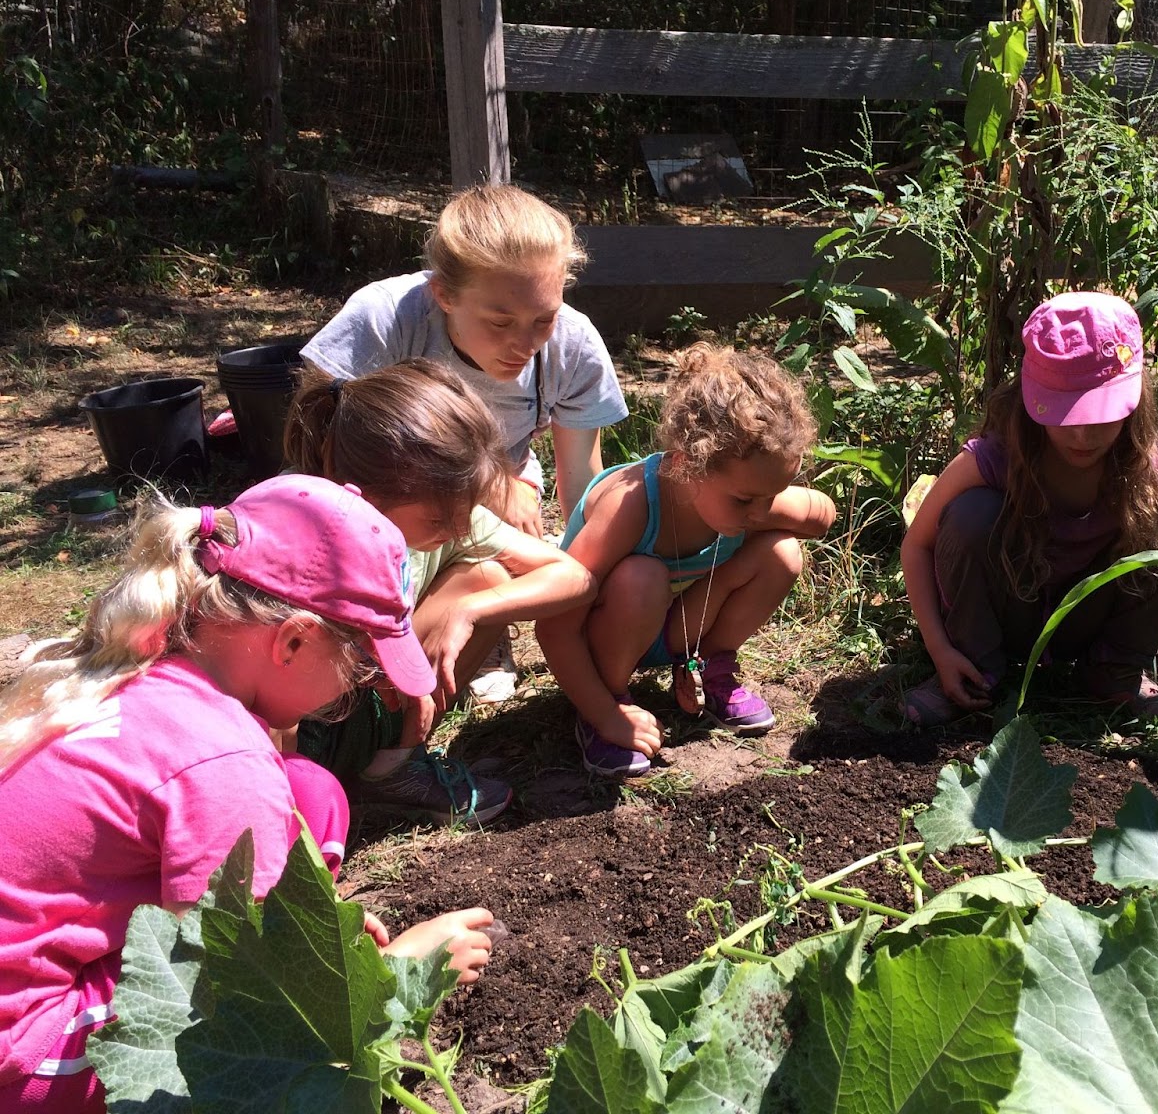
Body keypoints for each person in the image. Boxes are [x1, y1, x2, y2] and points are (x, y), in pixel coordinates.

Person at [0, 476, 498, 1113]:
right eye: (360, 668)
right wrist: (400, 974)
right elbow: (243, 1002)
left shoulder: (149, 655)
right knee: (252, 1051)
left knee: (310, 792)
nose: (359, 690)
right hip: (26, 1049)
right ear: (291, 640)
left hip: (41, 951)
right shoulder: (224, 762)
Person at [900, 292, 1158, 725]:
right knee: (969, 513)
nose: (1083, 437)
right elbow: (916, 546)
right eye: (1066, 414)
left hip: (1089, 622)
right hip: (1009, 610)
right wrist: (940, 650)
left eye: (1102, 415)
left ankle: (1113, 674)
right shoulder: (997, 459)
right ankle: (973, 673)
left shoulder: (1150, 474)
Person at [282, 360, 596, 824]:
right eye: (440, 519)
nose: (459, 529)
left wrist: (469, 609)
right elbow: (271, 696)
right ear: (367, 496)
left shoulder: (441, 511)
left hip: (365, 705)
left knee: (488, 577)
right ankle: (299, 809)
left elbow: (575, 577)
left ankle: (390, 770)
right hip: (299, 730)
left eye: (467, 509)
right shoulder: (299, 545)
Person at [538, 345, 836, 779]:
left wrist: (771, 504)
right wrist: (604, 712)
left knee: (782, 552)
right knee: (642, 577)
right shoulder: (630, 505)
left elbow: (822, 515)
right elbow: (555, 624)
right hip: (609, 632)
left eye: (770, 495)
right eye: (745, 498)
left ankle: (712, 667)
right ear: (686, 465)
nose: (758, 510)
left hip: (677, 629)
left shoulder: (746, 499)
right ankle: (610, 700)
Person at [302, 183, 627, 537]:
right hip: (375, 494)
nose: (525, 345)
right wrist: (486, 481)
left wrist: (588, 566)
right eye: (500, 323)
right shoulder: (386, 318)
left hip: (500, 503)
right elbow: (315, 438)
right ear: (444, 296)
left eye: (544, 320)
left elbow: (581, 486)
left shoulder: (573, 346)